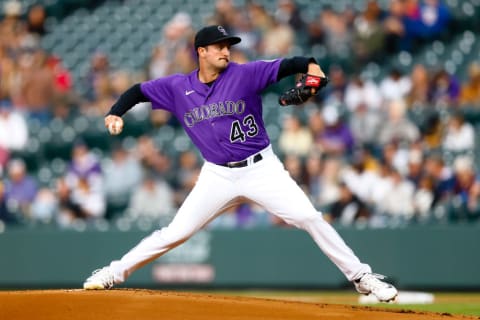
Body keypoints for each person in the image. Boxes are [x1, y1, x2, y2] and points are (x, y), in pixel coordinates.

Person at [83, 25, 398, 302]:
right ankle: (112, 273)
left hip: (261, 168)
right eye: (219, 47)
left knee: (309, 217)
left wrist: (313, 67)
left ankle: (361, 277)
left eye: (228, 46)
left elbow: (291, 64)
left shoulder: (244, 73)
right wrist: (115, 111)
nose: (226, 51)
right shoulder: (178, 87)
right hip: (217, 175)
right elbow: (138, 91)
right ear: (201, 52)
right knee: (174, 233)